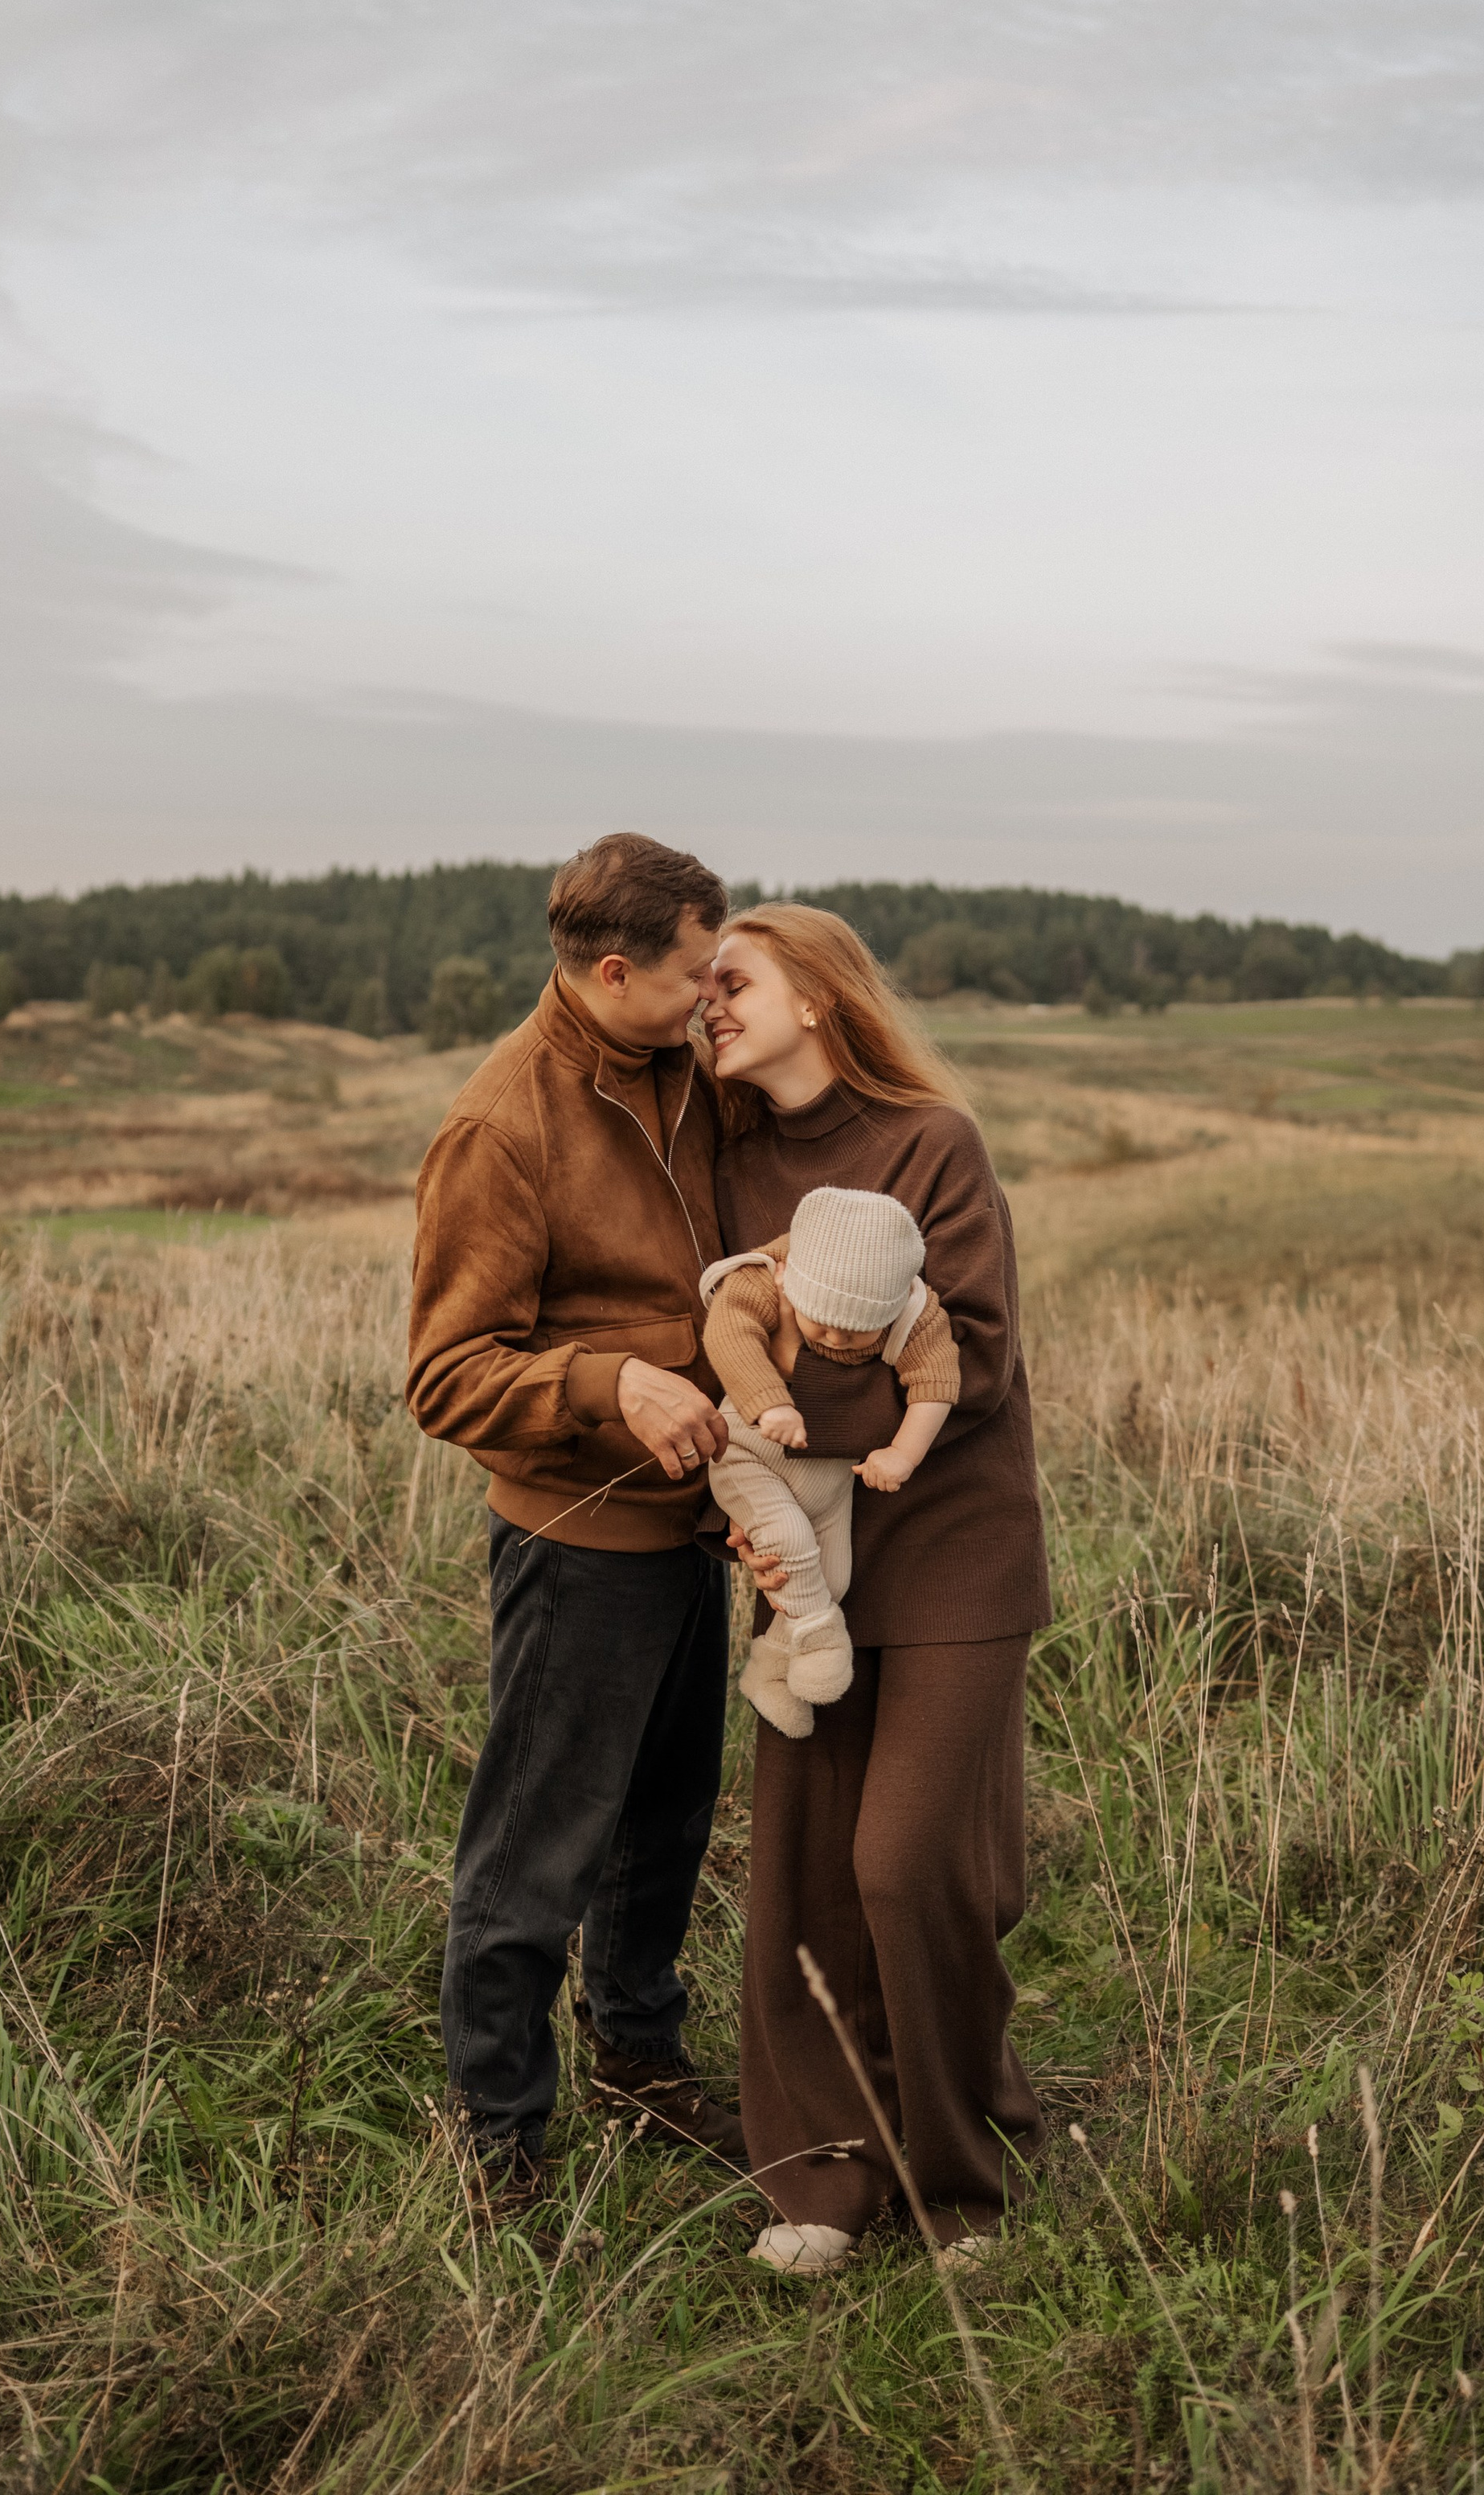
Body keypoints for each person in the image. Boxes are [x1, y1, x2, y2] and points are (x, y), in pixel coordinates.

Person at [701, 903, 1052, 2276]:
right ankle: (823, 2177)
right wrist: (744, 1483)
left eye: (736, 980)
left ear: (821, 998)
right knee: (801, 1882)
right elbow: (721, 1340)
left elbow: (968, 1367)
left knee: (910, 1868)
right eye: (701, 986)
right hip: (808, 1567)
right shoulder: (728, 1163)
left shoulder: (932, 1142)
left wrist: (769, 1407)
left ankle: (961, 2172)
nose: (709, 1002)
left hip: (953, 1542)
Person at [408, 831, 746, 2204]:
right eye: (693, 975)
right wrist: (614, 1384)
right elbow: (445, 1374)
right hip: (577, 1541)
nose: (715, 997)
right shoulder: (503, 1125)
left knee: (666, 1824)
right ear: (613, 972)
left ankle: (640, 2057)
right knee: (537, 1846)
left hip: (698, 1526)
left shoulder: (693, 1072)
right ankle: (499, 2141)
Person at [699, 1186, 961, 1731]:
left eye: (858, 1330)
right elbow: (729, 1332)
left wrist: (902, 1453)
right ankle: (823, 1642)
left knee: (832, 1576)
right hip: (749, 1455)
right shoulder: (763, 1275)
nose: (838, 1338)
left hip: (830, 1477)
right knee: (789, 1542)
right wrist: (768, 1402)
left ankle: (768, 1671)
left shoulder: (914, 1310)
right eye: (821, 1322)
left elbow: (936, 1380)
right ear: (792, 1279)